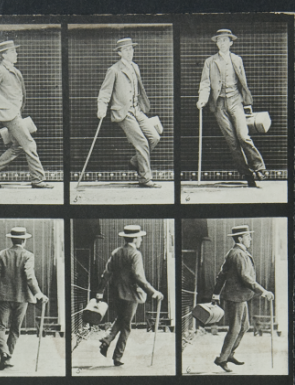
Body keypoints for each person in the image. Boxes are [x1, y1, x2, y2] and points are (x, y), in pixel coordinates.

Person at [0, 40, 53, 189]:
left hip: (15, 113)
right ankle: (38, 179)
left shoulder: (13, 70)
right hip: (9, 115)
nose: (16, 54)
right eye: (13, 52)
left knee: (18, 146)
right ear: (4, 55)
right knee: (29, 143)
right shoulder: (0, 71)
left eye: (15, 51)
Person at [197, 29, 267, 188]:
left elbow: (243, 82)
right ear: (216, 43)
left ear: (231, 42)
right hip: (219, 105)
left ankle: (259, 167)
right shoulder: (210, 61)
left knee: (243, 136)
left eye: (225, 40)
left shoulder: (237, 59)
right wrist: (202, 99)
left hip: (236, 101)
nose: (222, 43)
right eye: (219, 40)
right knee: (232, 142)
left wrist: (247, 103)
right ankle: (247, 174)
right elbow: (205, 83)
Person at [0, 227, 49, 370]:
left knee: (0, 327)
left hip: (4, 298)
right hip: (22, 298)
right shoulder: (28, 255)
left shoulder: (3, 254)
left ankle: (4, 354)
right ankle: (7, 356)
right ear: (24, 240)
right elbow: (29, 277)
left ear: (11, 239)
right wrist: (38, 294)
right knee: (15, 329)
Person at [97, 37, 161, 188]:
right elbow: (104, 92)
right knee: (142, 142)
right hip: (123, 113)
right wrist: (101, 109)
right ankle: (145, 178)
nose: (130, 52)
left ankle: (134, 162)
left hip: (137, 110)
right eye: (126, 49)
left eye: (131, 49)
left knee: (154, 137)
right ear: (119, 53)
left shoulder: (135, 67)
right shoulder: (113, 70)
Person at [95, 225, 163, 366]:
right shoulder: (135, 254)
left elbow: (106, 274)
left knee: (121, 319)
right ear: (135, 238)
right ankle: (117, 357)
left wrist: (99, 292)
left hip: (116, 293)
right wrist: (153, 292)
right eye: (140, 238)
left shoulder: (116, 252)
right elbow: (138, 276)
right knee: (127, 326)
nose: (141, 241)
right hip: (131, 294)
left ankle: (107, 339)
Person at [211, 225, 274, 372]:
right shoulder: (238, 254)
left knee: (244, 327)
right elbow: (246, 277)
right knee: (235, 329)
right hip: (235, 297)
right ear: (240, 238)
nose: (250, 239)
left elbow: (222, 275)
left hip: (239, 296)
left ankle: (229, 354)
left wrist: (215, 293)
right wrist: (263, 291)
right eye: (248, 236)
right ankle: (222, 359)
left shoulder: (235, 253)